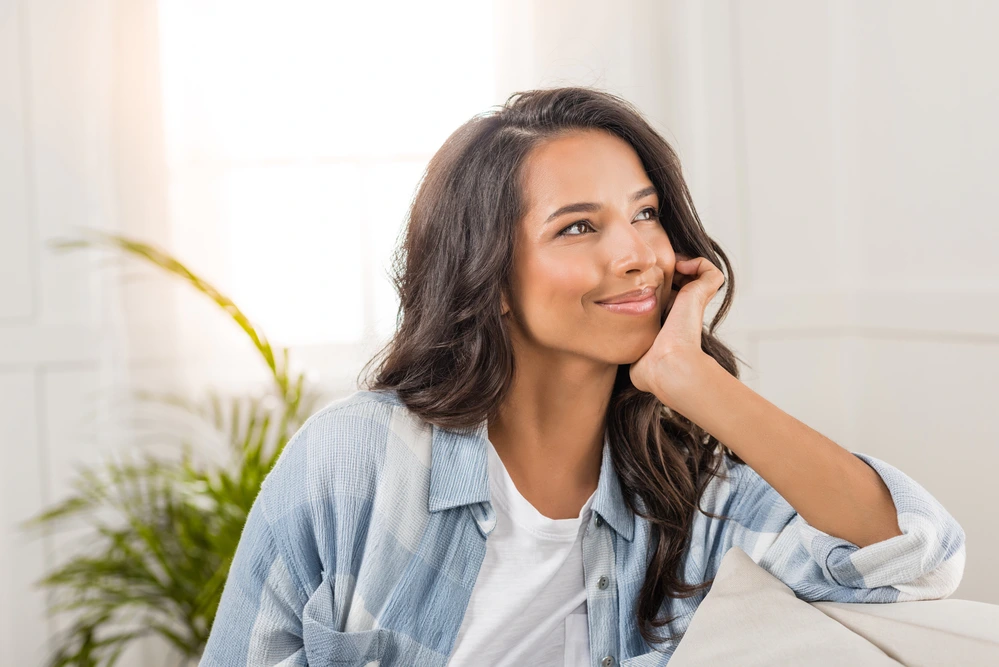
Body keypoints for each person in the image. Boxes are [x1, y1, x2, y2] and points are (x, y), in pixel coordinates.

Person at [199, 87, 966, 667]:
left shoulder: (687, 493)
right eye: (577, 226)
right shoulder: (357, 458)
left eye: (645, 213)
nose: (635, 253)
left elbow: (917, 555)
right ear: (489, 276)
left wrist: (691, 379)